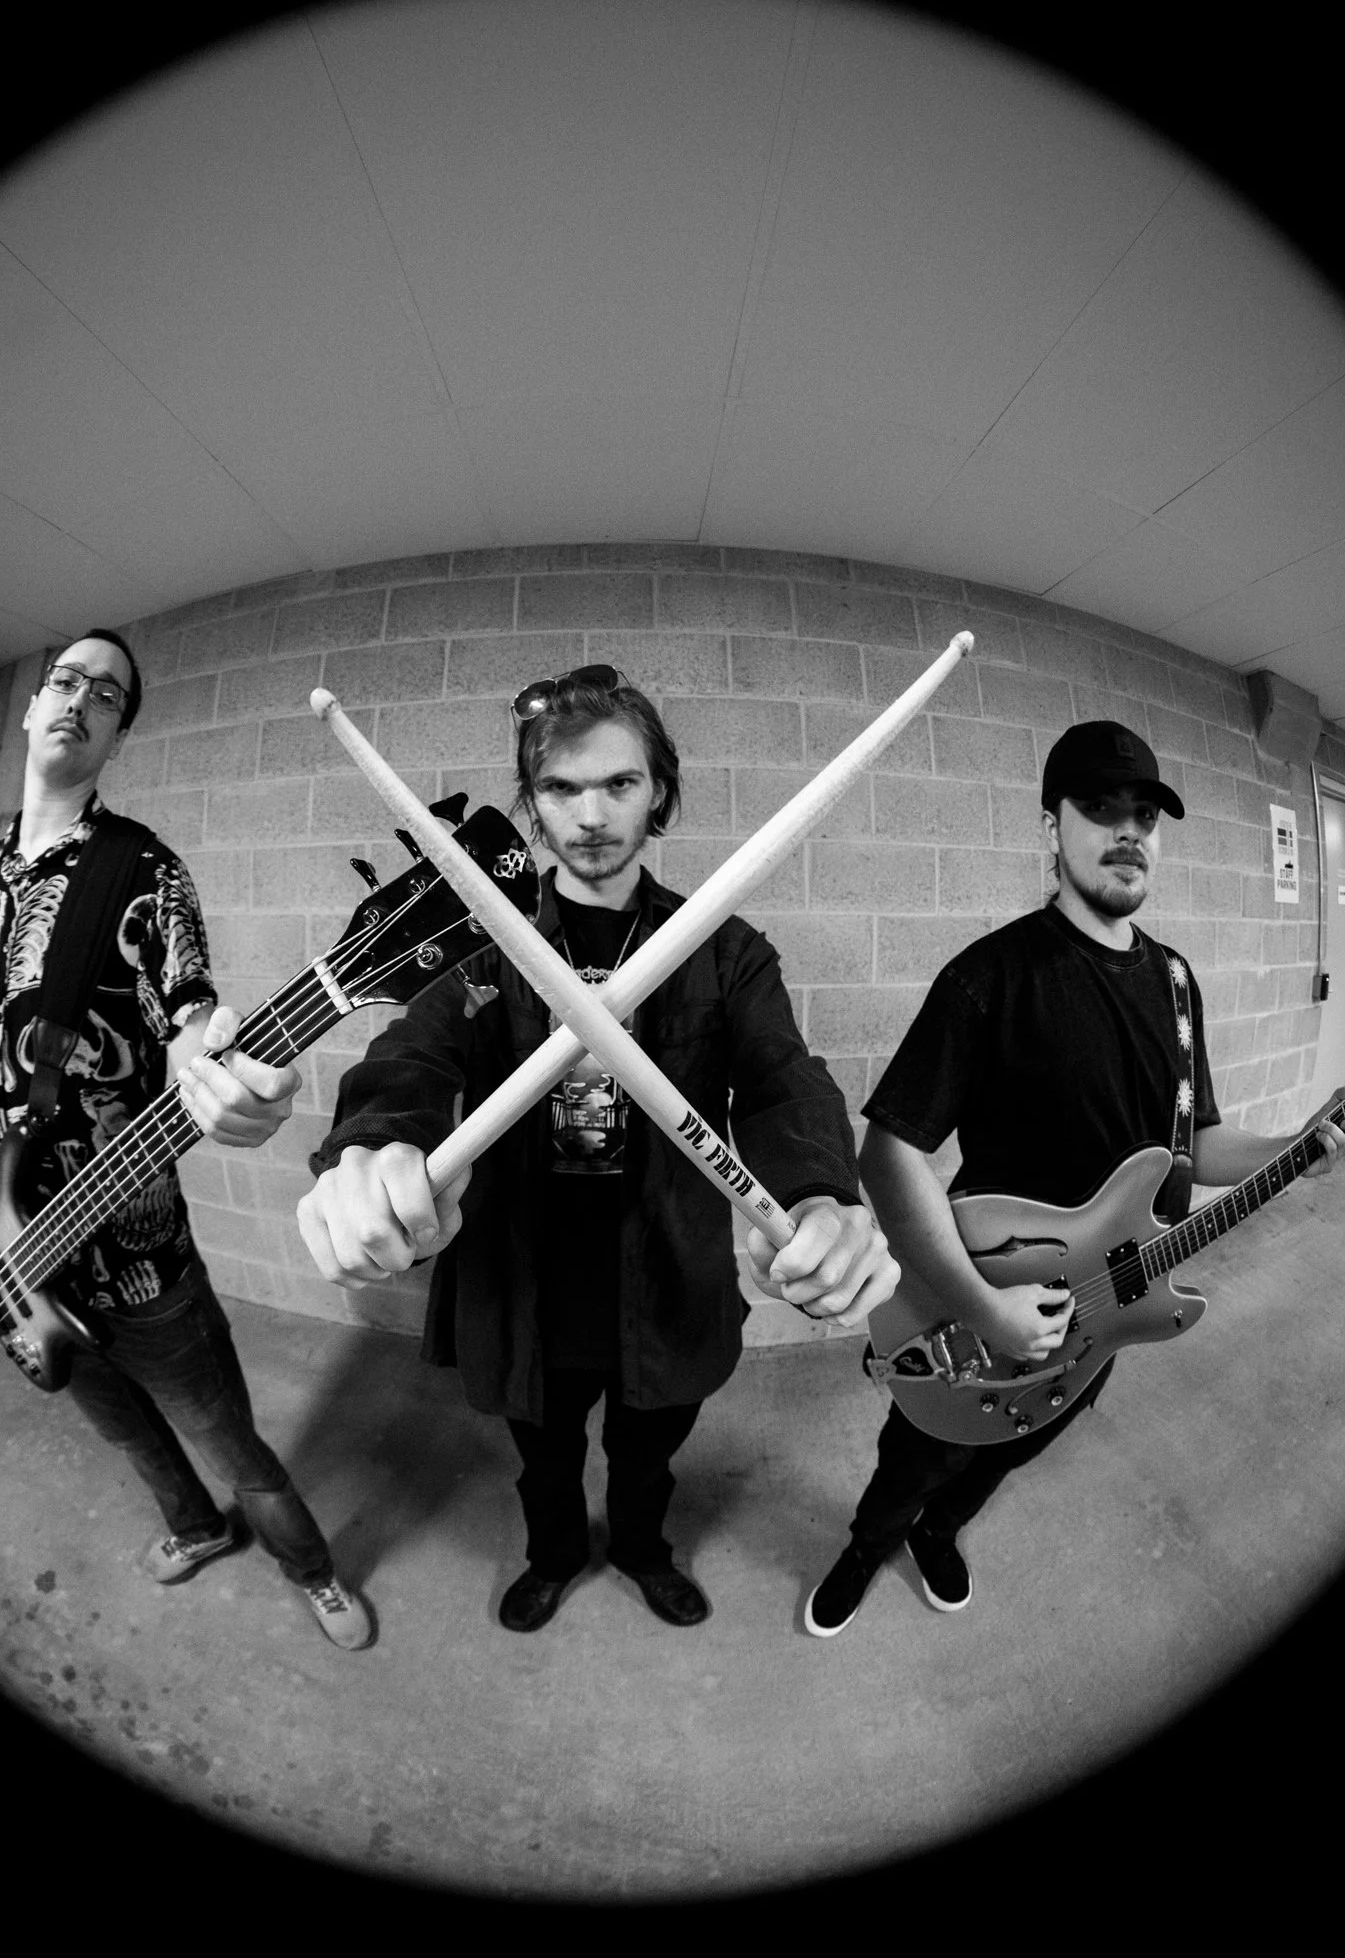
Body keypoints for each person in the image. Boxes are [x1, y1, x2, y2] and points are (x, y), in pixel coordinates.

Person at [298, 665, 897, 1631]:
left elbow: (787, 1081)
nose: (590, 815)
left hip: (667, 1269)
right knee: (541, 1455)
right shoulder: (483, 944)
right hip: (525, 1272)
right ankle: (555, 1554)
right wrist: (371, 1148)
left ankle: (645, 1550)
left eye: (618, 783)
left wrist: (823, 1194)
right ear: (532, 804)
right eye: (562, 788)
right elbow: (407, 1059)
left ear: (658, 789)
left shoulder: (726, 951)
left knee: (651, 1449)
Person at [805, 719, 1345, 1637]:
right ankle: (869, 1547)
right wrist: (987, 1312)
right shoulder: (991, 977)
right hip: (981, 1302)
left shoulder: (1179, 985)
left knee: (1014, 1448)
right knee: (921, 1450)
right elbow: (890, 1155)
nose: (1127, 831)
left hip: (1109, 1309)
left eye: (1144, 813)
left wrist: (1298, 1142)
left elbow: (1198, 1145)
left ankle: (940, 1535)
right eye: (1099, 809)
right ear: (1050, 827)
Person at [0, 628, 373, 1651]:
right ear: (34, 701)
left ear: (118, 733)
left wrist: (225, 1086)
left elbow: (193, 1031)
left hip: (143, 1266)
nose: (80, 699)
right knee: (129, 1433)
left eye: (108, 694)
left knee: (233, 1443)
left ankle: (312, 1571)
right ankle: (193, 1529)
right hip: (12, 1249)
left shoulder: (144, 872)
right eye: (67, 680)